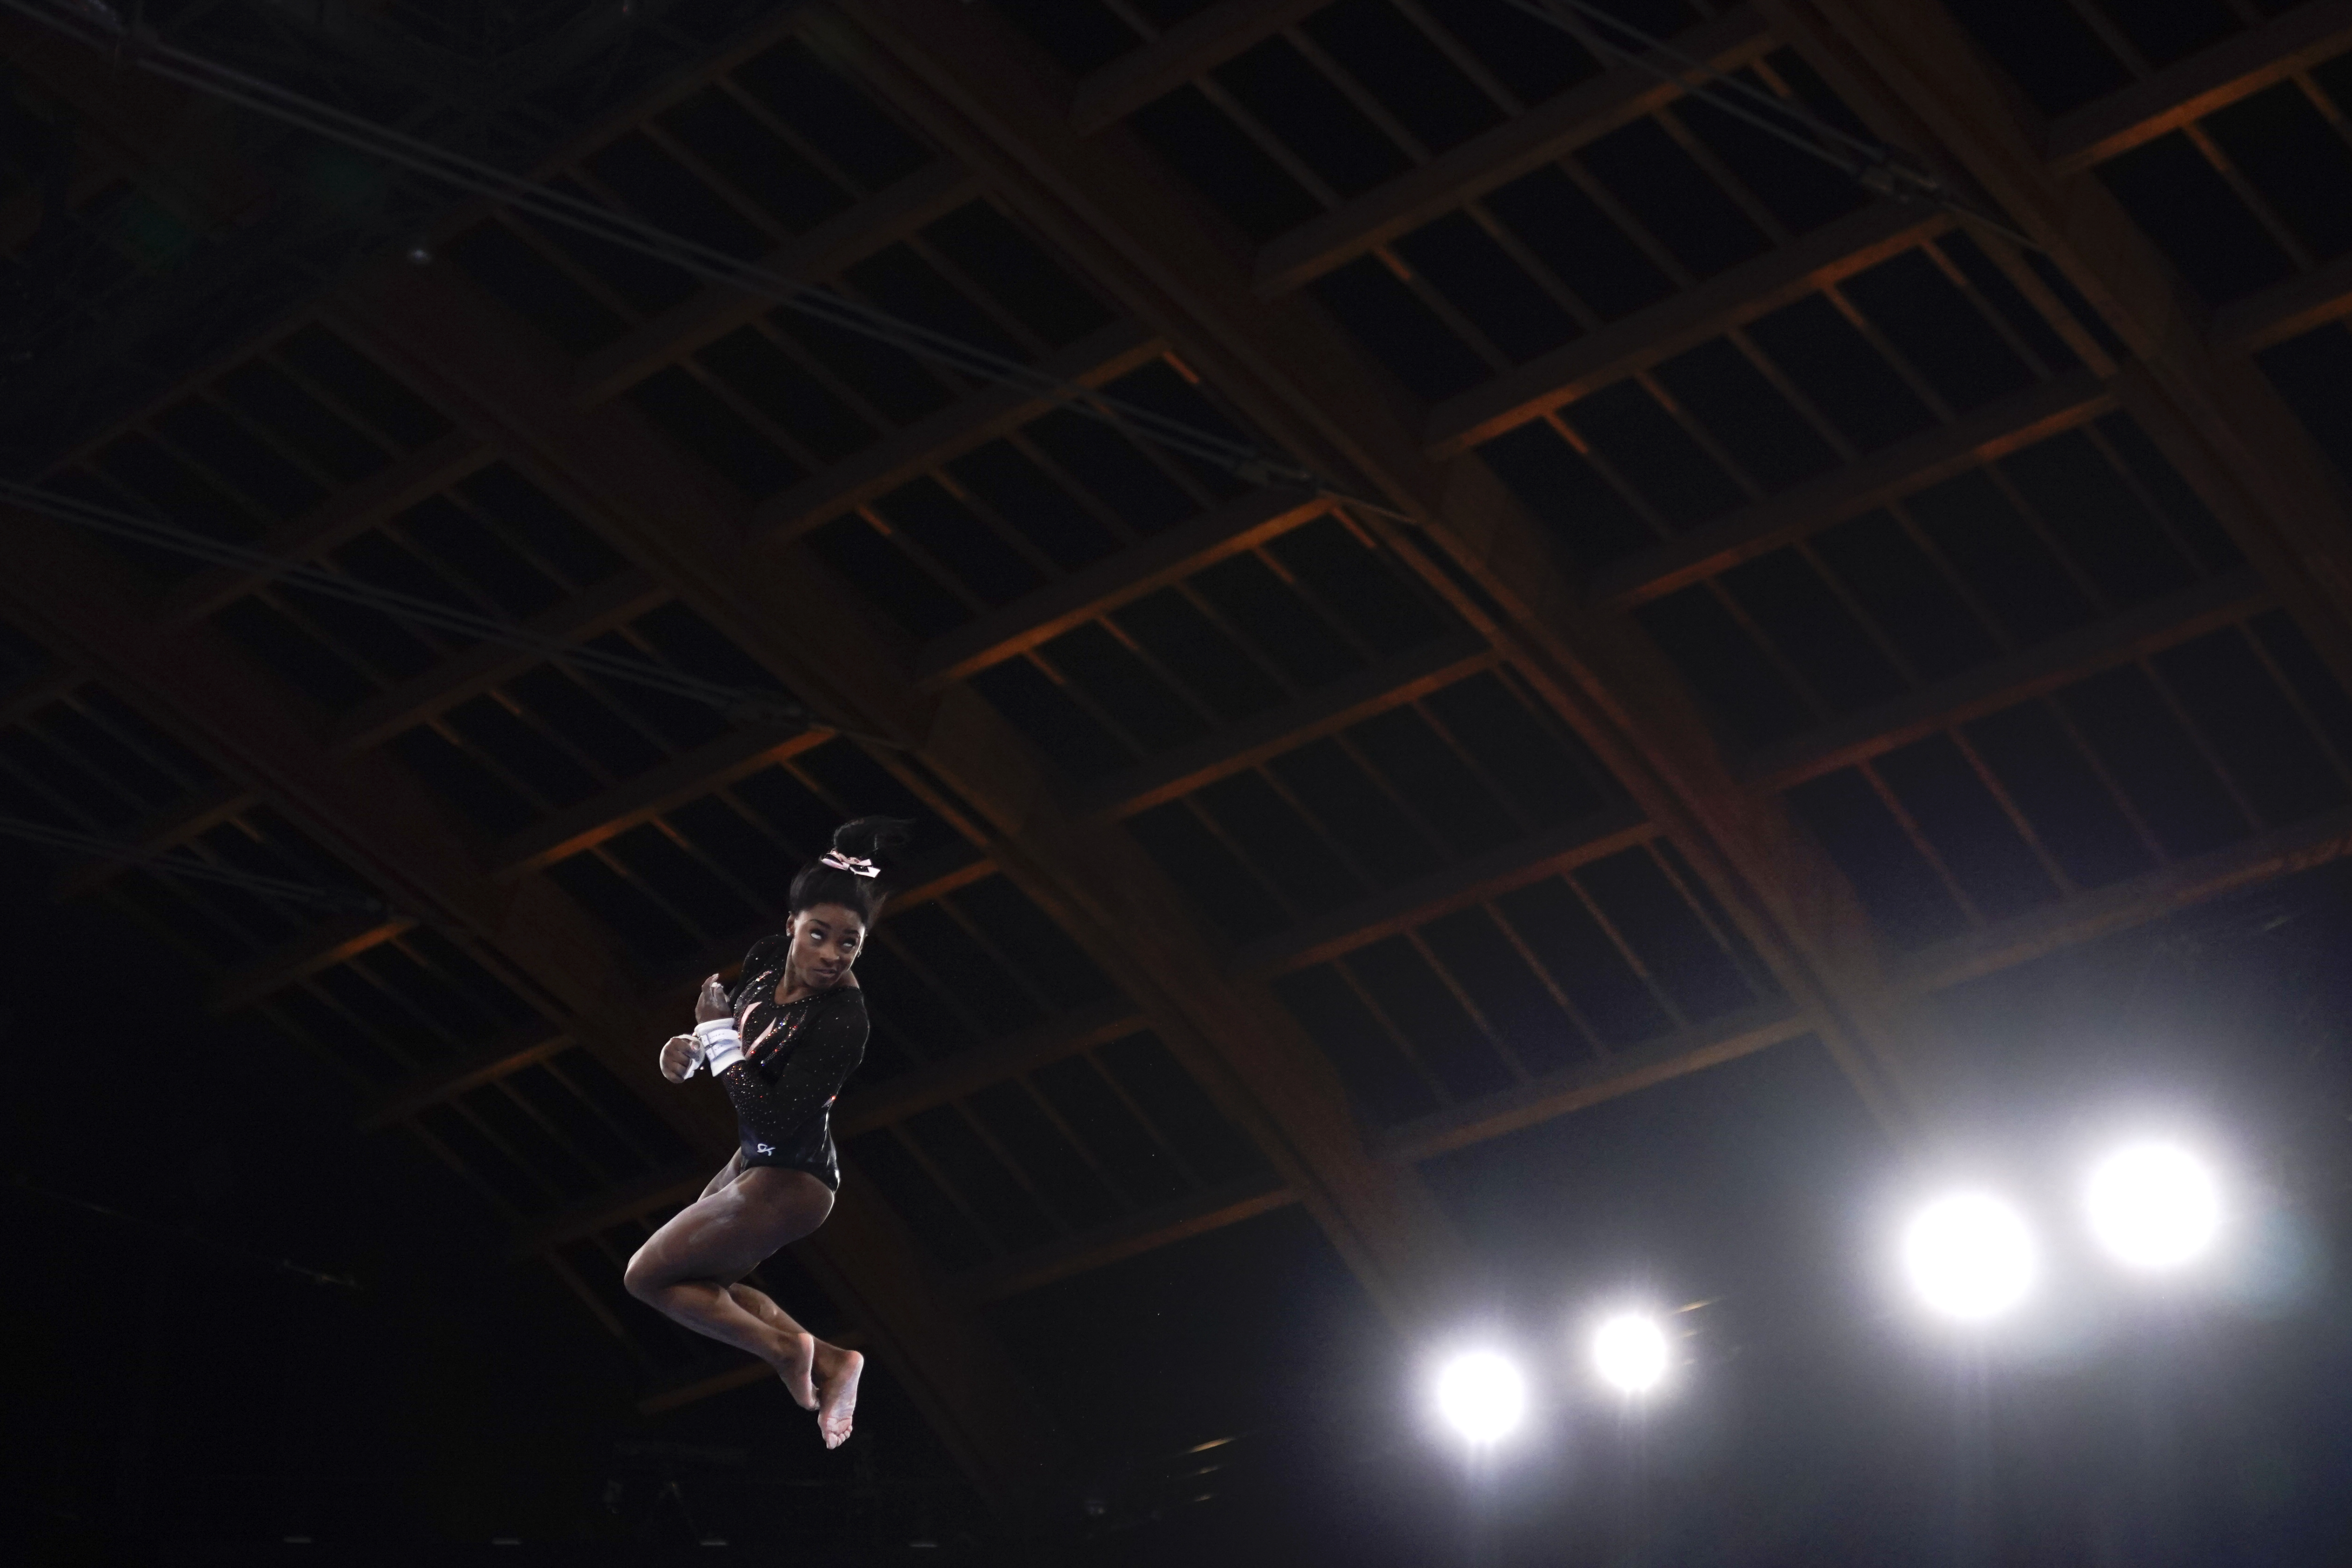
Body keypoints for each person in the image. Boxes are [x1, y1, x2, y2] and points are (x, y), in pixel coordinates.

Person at [622, 816, 911, 1448]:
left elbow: (772, 1115)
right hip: (757, 1161)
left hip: (795, 1179)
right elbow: (742, 1033)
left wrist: (718, 1037)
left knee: (646, 1279)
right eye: (819, 936)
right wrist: (691, 1047)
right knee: (701, 1286)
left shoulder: (844, 1021)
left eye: (850, 944)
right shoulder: (763, 959)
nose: (833, 955)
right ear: (790, 928)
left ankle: (788, 1353)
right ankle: (833, 1361)